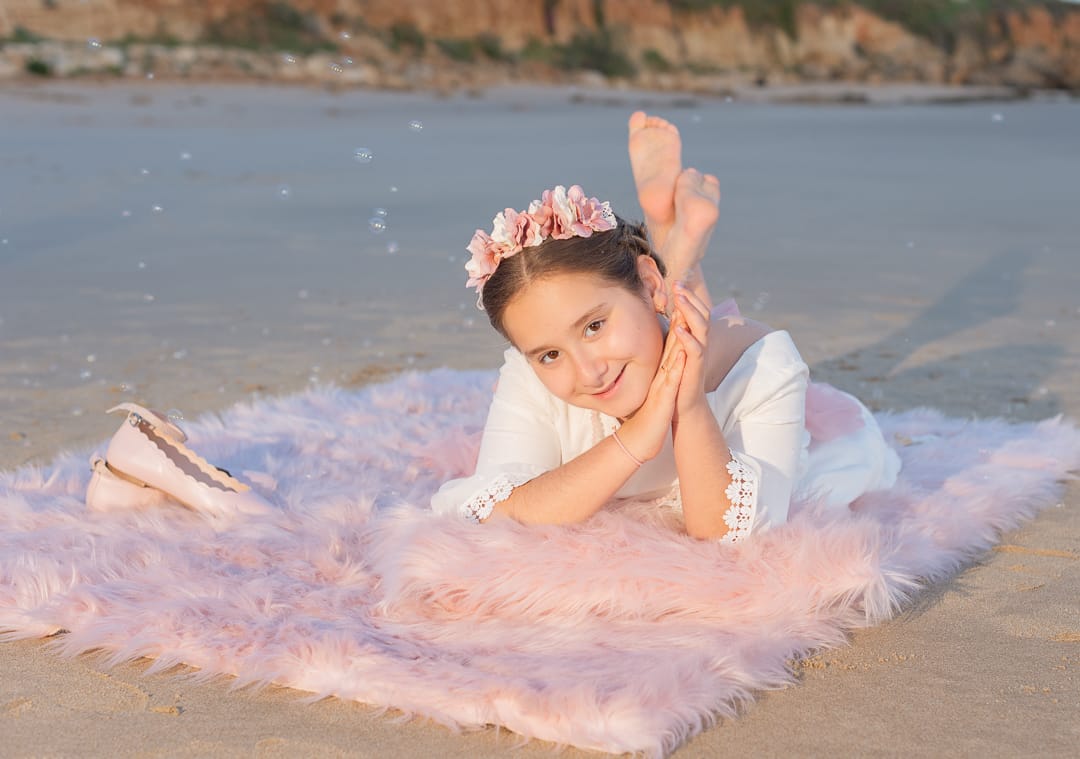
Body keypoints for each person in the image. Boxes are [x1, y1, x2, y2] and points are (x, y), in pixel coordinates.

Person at [431, 113, 899, 543]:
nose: (588, 372)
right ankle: (674, 240)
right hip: (654, 317)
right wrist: (635, 439)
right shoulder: (531, 375)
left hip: (717, 376)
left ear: (651, 283)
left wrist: (688, 408)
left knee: (685, 334)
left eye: (594, 326)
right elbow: (492, 514)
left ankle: (672, 245)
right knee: (662, 331)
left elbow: (727, 533)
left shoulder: (760, 364)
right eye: (549, 354)